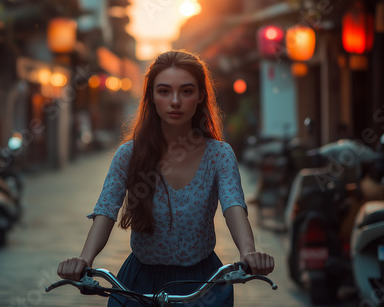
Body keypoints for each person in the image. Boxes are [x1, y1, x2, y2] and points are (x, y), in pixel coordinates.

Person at [57, 50, 274, 306]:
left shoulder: (220, 155)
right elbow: (106, 210)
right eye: (164, 91)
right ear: (151, 96)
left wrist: (248, 253)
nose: (175, 101)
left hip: (203, 282)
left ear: (200, 95)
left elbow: (234, 206)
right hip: (139, 281)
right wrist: (85, 259)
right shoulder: (129, 154)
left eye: (186, 91)